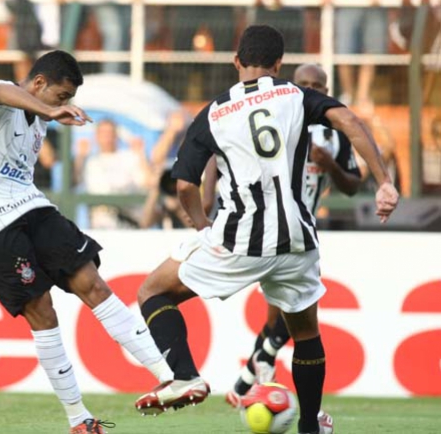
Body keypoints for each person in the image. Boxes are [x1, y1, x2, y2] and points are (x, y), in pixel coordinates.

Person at [133, 25, 398, 434]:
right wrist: (383, 180)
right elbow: (347, 120)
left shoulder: (214, 113)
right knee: (305, 333)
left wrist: (204, 229)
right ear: (280, 65)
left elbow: (185, 185)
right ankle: (310, 425)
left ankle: (185, 375)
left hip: (239, 236)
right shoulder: (297, 96)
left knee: (152, 291)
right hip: (296, 238)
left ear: (236, 61)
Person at [0, 50, 175, 434]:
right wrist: (50, 111)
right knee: (43, 312)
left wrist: (50, 112)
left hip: (32, 206)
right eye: (61, 97)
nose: (64, 105)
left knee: (93, 284)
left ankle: (170, 378)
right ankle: (78, 417)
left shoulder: (41, 120)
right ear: (38, 83)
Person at [222, 63, 362, 406]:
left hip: (304, 230)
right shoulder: (273, 121)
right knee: (290, 311)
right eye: (304, 83)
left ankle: (246, 385)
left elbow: (353, 185)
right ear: (292, 86)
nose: (311, 88)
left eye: (318, 84)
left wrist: (330, 165)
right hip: (266, 226)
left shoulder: (335, 133)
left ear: (326, 92)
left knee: (286, 312)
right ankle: (253, 379)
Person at [317, 0, 395, 107]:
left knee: (372, 51)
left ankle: (362, 96)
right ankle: (349, 95)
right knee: (344, 51)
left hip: (374, 5)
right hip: (346, 2)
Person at [75, 119, 150, 229]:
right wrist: (80, 157)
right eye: (103, 133)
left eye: (110, 133)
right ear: (96, 136)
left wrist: (141, 154)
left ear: (116, 135)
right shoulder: (89, 161)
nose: (107, 137)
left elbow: (146, 183)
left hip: (129, 224)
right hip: (99, 226)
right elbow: (74, 182)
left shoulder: (130, 157)